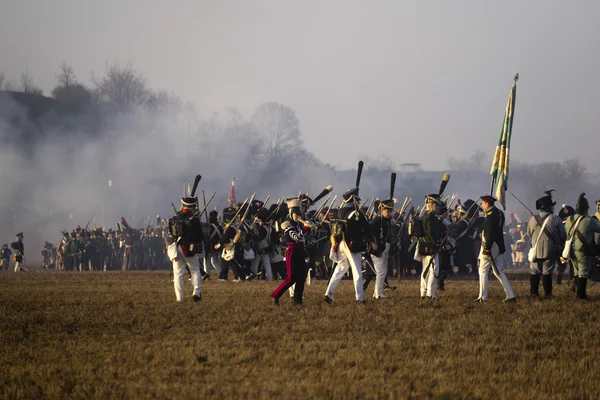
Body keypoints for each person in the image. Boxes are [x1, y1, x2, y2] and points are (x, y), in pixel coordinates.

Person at [325, 187, 372, 304]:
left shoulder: (339, 211)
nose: (359, 203)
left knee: (340, 268)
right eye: (357, 200)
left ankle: (328, 293)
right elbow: (366, 229)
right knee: (357, 272)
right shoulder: (356, 213)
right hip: (352, 244)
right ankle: (359, 298)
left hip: (340, 243)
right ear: (354, 200)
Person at [475, 196, 516, 302]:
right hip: (499, 245)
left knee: (483, 270)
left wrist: (487, 248)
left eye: (483, 203)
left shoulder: (489, 216)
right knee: (498, 271)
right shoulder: (499, 213)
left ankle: (483, 297)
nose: (482, 206)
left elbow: (489, 233)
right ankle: (510, 295)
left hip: (491, 245)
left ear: (487, 204)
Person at [526, 194, 566, 298]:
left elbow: (529, 233)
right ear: (548, 207)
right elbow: (563, 235)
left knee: (534, 272)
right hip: (550, 250)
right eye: (552, 206)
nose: (553, 208)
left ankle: (533, 293)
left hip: (535, 251)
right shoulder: (556, 219)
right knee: (547, 272)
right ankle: (548, 294)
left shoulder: (532, 219)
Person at [271, 198, 309, 305]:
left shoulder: (298, 225)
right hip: (292, 253)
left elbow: (302, 241)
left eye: (299, 214)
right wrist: (305, 230)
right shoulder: (287, 225)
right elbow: (296, 237)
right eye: (296, 214)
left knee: (301, 278)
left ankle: (298, 301)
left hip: (300, 252)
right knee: (291, 278)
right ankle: (275, 295)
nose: (298, 216)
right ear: (291, 214)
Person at [167, 195, 204, 302]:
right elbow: (200, 236)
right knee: (195, 270)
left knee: (178, 274)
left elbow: (170, 233)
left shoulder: (175, 217)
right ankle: (196, 293)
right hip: (189, 249)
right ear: (193, 206)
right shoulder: (194, 219)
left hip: (177, 248)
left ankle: (179, 298)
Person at [564, 193, 600, 300]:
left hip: (571, 250)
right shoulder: (588, 220)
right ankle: (581, 296)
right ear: (585, 209)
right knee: (583, 273)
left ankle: (578, 294)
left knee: (576, 271)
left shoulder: (569, 220)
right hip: (583, 250)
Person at [369, 199, 394, 299]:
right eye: (387, 211)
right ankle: (378, 294)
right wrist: (373, 242)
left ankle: (377, 293)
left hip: (384, 248)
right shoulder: (377, 220)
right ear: (382, 210)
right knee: (381, 272)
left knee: (383, 271)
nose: (389, 213)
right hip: (377, 249)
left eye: (390, 211)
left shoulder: (386, 221)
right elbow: (369, 232)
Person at [419, 194, 442, 300]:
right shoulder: (429, 217)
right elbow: (430, 232)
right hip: (430, 245)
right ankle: (430, 292)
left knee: (426, 270)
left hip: (425, 245)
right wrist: (436, 244)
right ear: (431, 205)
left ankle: (423, 292)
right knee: (434, 270)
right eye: (435, 206)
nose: (437, 208)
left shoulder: (426, 215)